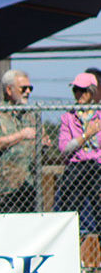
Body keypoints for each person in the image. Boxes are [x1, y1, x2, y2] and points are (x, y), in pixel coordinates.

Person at [0, 69, 46, 213]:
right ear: (9, 90)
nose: (28, 91)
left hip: (30, 186)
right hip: (5, 189)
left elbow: (42, 138)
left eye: (30, 88)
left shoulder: (31, 115)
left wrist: (43, 142)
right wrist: (21, 135)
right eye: (23, 88)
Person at [56, 72, 101, 233]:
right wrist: (86, 135)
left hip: (97, 167)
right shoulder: (68, 117)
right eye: (76, 90)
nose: (79, 94)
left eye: (83, 90)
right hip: (75, 168)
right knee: (70, 214)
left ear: (92, 92)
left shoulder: (99, 115)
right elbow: (64, 149)